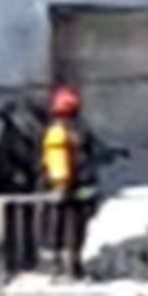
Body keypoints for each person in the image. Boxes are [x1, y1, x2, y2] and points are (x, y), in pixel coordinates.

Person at [40, 82, 91, 279]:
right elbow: (83, 160)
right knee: (72, 229)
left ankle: (57, 267)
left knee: (57, 227)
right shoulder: (70, 132)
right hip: (72, 189)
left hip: (60, 189)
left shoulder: (55, 130)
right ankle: (69, 269)